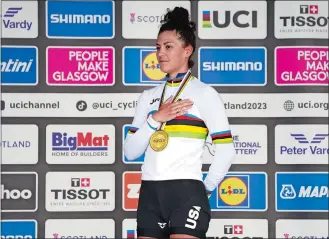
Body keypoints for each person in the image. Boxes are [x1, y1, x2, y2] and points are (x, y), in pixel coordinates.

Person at [123, 6, 236, 239]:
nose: (160, 53)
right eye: (158, 47)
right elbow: (131, 152)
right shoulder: (148, 96)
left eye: (168, 47)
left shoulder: (205, 93)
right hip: (150, 193)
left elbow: (226, 150)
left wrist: (204, 189)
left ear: (187, 51)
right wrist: (156, 119)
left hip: (187, 191)